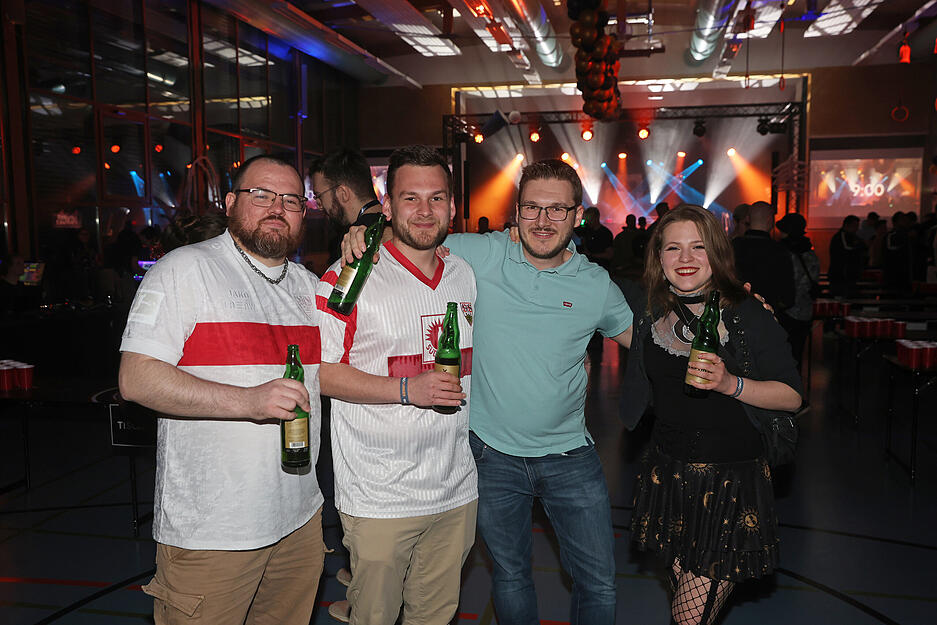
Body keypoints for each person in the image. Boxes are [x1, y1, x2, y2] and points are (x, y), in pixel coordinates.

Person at [341, 158, 634, 625]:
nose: (543, 221)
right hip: (490, 456)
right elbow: (418, 224)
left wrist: (727, 310)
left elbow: (651, 346)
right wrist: (365, 230)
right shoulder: (478, 253)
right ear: (515, 212)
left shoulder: (596, 285)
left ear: (578, 216)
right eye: (532, 208)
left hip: (570, 457)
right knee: (511, 576)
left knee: (598, 582)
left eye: (557, 210)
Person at [119, 155, 326, 625]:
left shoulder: (310, 289)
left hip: (298, 520)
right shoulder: (184, 269)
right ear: (231, 202)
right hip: (213, 531)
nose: (277, 207)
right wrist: (248, 402)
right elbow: (136, 378)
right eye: (262, 195)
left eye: (291, 199)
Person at [619, 204, 802, 625]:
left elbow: (792, 396)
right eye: (673, 248)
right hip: (668, 477)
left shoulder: (747, 313)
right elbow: (575, 274)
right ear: (658, 257)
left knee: (688, 618)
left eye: (698, 247)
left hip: (730, 487)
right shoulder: (646, 307)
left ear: (716, 252)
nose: (685, 259)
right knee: (685, 600)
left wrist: (730, 384)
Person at [317, 145, 478, 625]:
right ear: (386, 206)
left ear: (452, 205)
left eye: (437, 198)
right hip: (380, 495)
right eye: (410, 198)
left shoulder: (463, 274)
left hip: (455, 489)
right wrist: (407, 390)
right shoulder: (350, 275)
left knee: (434, 617)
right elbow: (320, 371)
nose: (424, 211)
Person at [309, 148, 383, 262]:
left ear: (343, 194)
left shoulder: (352, 241)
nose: (319, 206)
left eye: (319, 196)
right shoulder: (396, 225)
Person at [731, 202, 795, 313]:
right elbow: (788, 296)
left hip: (735, 312)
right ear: (770, 220)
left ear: (748, 219)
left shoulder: (732, 246)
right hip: (768, 315)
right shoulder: (780, 251)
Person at [776, 213, 820, 371]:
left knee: (782, 359)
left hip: (786, 311)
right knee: (797, 356)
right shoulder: (811, 253)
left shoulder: (783, 253)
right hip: (806, 312)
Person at [828, 214, 866, 296]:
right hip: (840, 275)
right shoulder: (841, 236)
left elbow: (863, 246)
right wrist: (858, 246)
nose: (857, 228)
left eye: (857, 226)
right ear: (846, 225)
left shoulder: (853, 237)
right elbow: (848, 248)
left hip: (850, 275)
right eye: (855, 226)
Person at [575, 205, 614, 269]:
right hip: (588, 267)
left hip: (601, 268)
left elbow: (609, 255)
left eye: (589, 219)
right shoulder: (587, 230)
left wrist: (591, 255)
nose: (587, 222)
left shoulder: (605, 233)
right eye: (586, 219)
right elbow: (576, 230)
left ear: (596, 217)